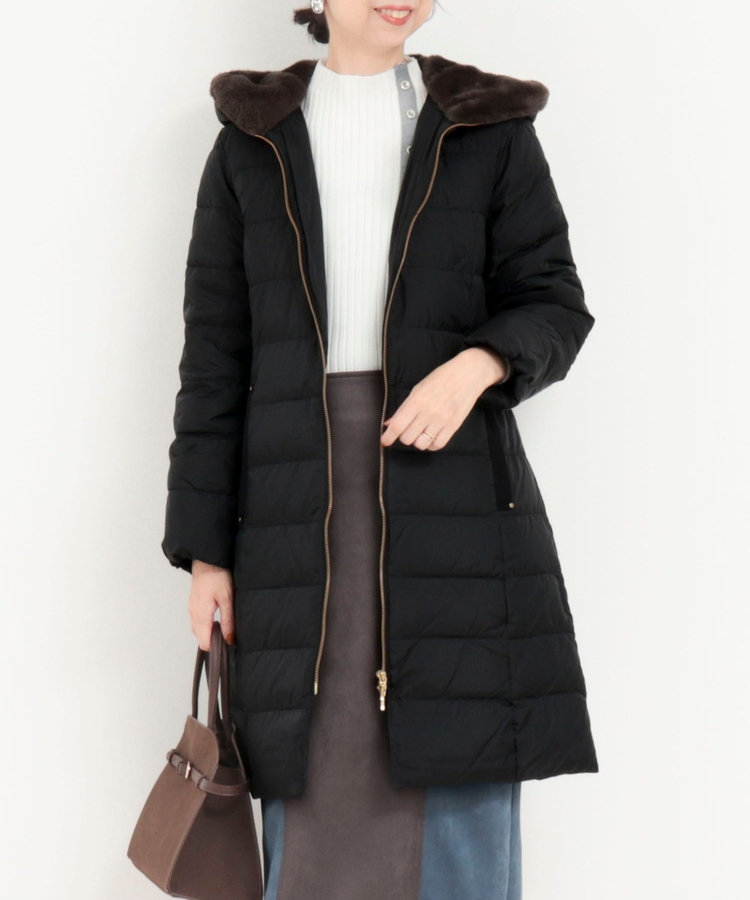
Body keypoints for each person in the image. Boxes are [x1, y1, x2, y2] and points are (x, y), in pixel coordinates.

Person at [161, 2, 599, 897]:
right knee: (314, 773)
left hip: (457, 503)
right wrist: (206, 554)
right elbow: (214, 364)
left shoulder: (488, 126)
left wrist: (476, 365)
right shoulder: (251, 141)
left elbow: (553, 301)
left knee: (458, 765)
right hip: (295, 512)